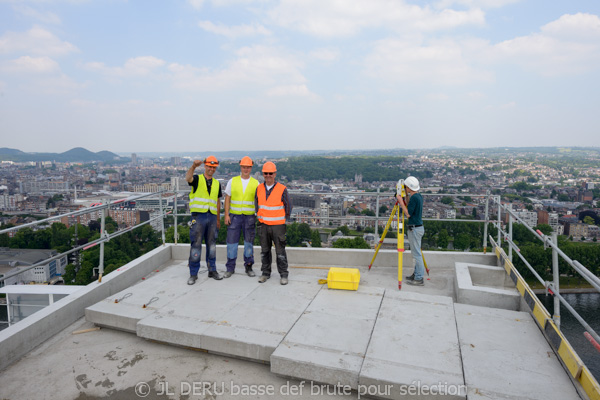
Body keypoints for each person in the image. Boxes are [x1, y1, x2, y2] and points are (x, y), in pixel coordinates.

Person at [186, 156, 223, 284]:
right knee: (196, 244)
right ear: (205, 166)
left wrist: (218, 219)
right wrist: (193, 166)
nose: (211, 169)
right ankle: (193, 273)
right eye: (209, 166)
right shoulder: (197, 179)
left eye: (213, 167)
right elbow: (188, 178)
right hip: (198, 216)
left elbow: (218, 202)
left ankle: (212, 270)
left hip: (212, 217)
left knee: (212, 245)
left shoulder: (217, 183)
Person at [255, 161, 292, 285]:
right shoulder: (259, 188)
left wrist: (281, 220)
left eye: (270, 173)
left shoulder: (282, 189)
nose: (268, 175)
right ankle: (265, 273)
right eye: (266, 173)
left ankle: (283, 274)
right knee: (265, 251)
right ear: (263, 174)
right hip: (263, 225)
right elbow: (257, 206)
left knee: (280, 251)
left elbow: (288, 207)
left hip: (278, 226)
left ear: (275, 174)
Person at [223, 156, 259, 278]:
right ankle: (230, 268)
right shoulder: (232, 181)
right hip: (234, 217)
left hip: (249, 217)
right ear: (241, 167)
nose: (246, 169)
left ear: (251, 168)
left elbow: (258, 201)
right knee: (231, 243)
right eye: (244, 167)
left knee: (249, 243)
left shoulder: (255, 183)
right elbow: (227, 198)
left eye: (248, 167)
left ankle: (248, 267)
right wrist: (226, 215)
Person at [397, 176, 425, 286]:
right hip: (418, 227)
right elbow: (410, 206)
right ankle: (416, 274)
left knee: (417, 254)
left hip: (415, 228)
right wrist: (406, 197)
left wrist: (400, 202)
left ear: (408, 187)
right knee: (416, 253)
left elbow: (408, 213)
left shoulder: (414, 198)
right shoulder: (418, 196)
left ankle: (419, 278)